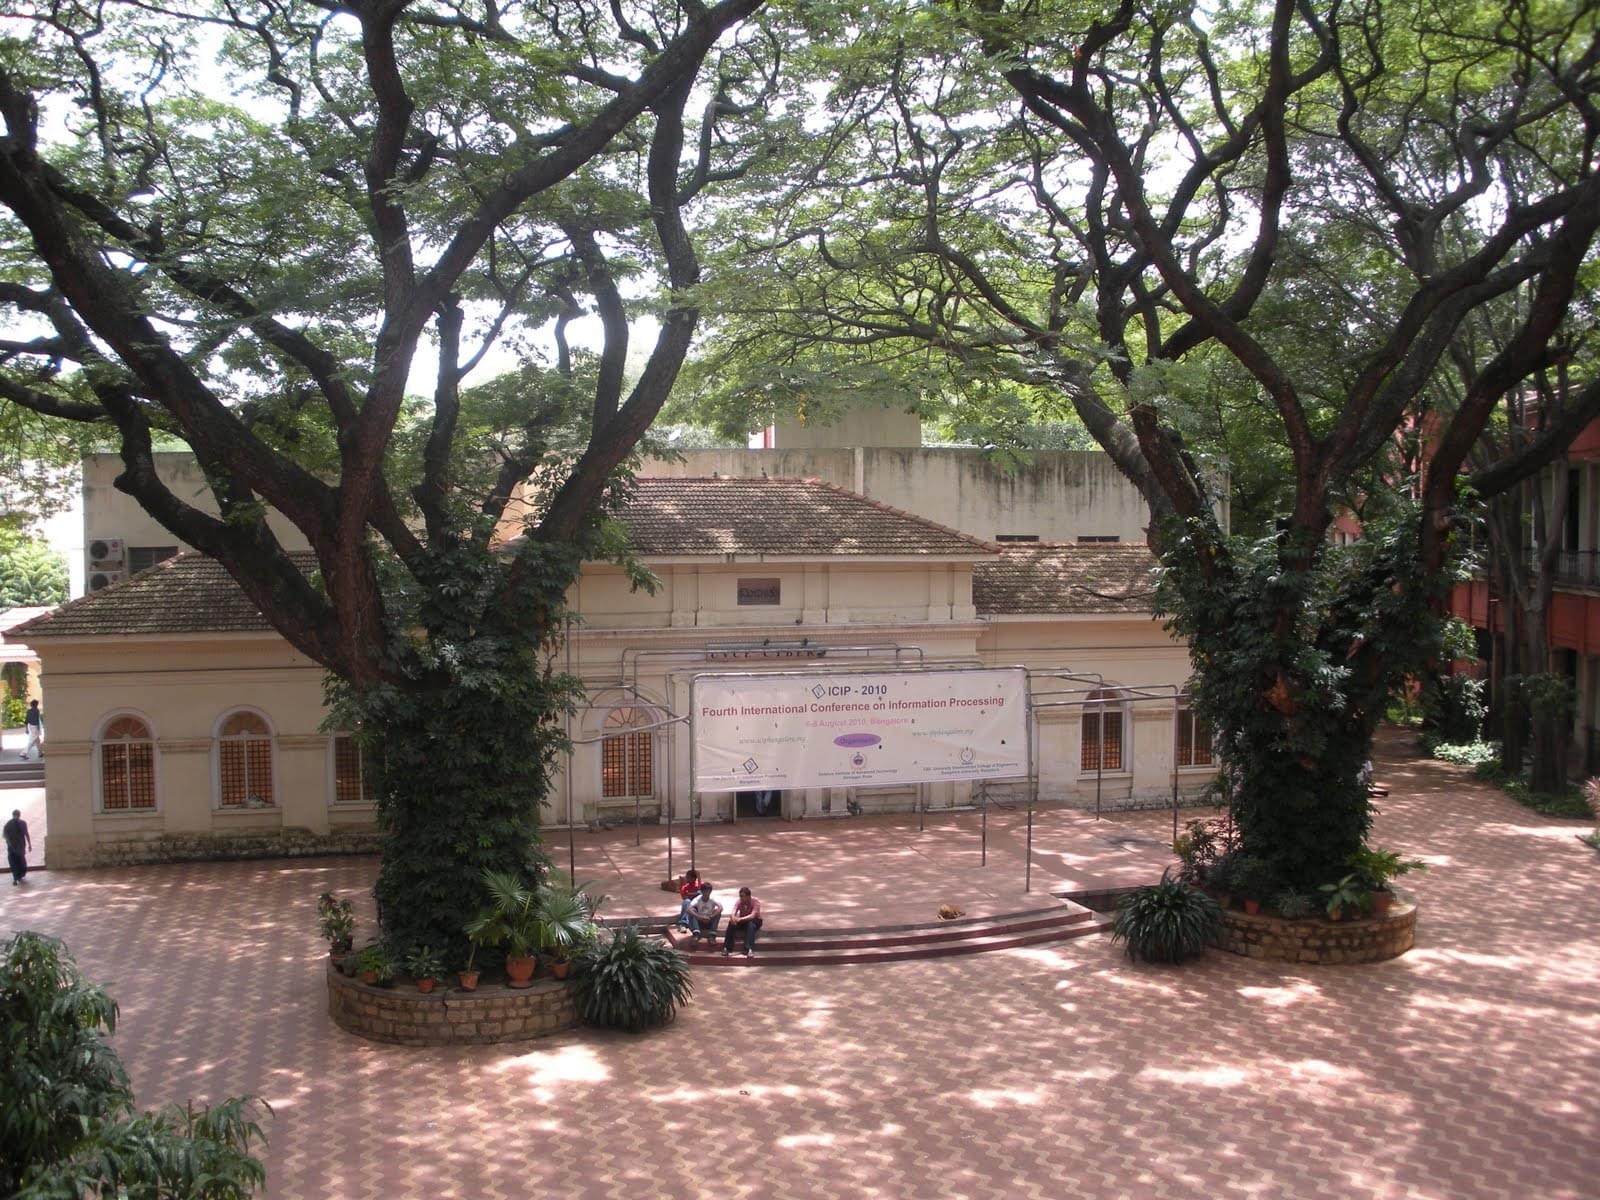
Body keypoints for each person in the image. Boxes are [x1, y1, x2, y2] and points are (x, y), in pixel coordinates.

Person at [722, 886, 763, 958]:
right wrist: (733, 918)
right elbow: (733, 911)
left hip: (755, 920)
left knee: (750, 924)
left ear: (748, 896)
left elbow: (753, 915)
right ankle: (727, 948)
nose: (741, 898)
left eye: (742, 896)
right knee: (731, 923)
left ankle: (748, 948)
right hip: (743, 920)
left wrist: (740, 919)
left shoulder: (755, 902)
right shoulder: (739, 901)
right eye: (740, 896)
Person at [4, 809, 30, 886]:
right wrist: (10, 843)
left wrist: (29, 844)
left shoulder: (23, 823)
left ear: (19, 816)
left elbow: (26, 833)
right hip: (12, 847)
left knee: (22, 862)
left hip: (20, 846)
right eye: (15, 815)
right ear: (13, 816)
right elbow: (5, 835)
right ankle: (15, 878)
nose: (16, 817)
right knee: (13, 862)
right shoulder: (9, 824)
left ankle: (20, 874)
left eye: (17, 815)